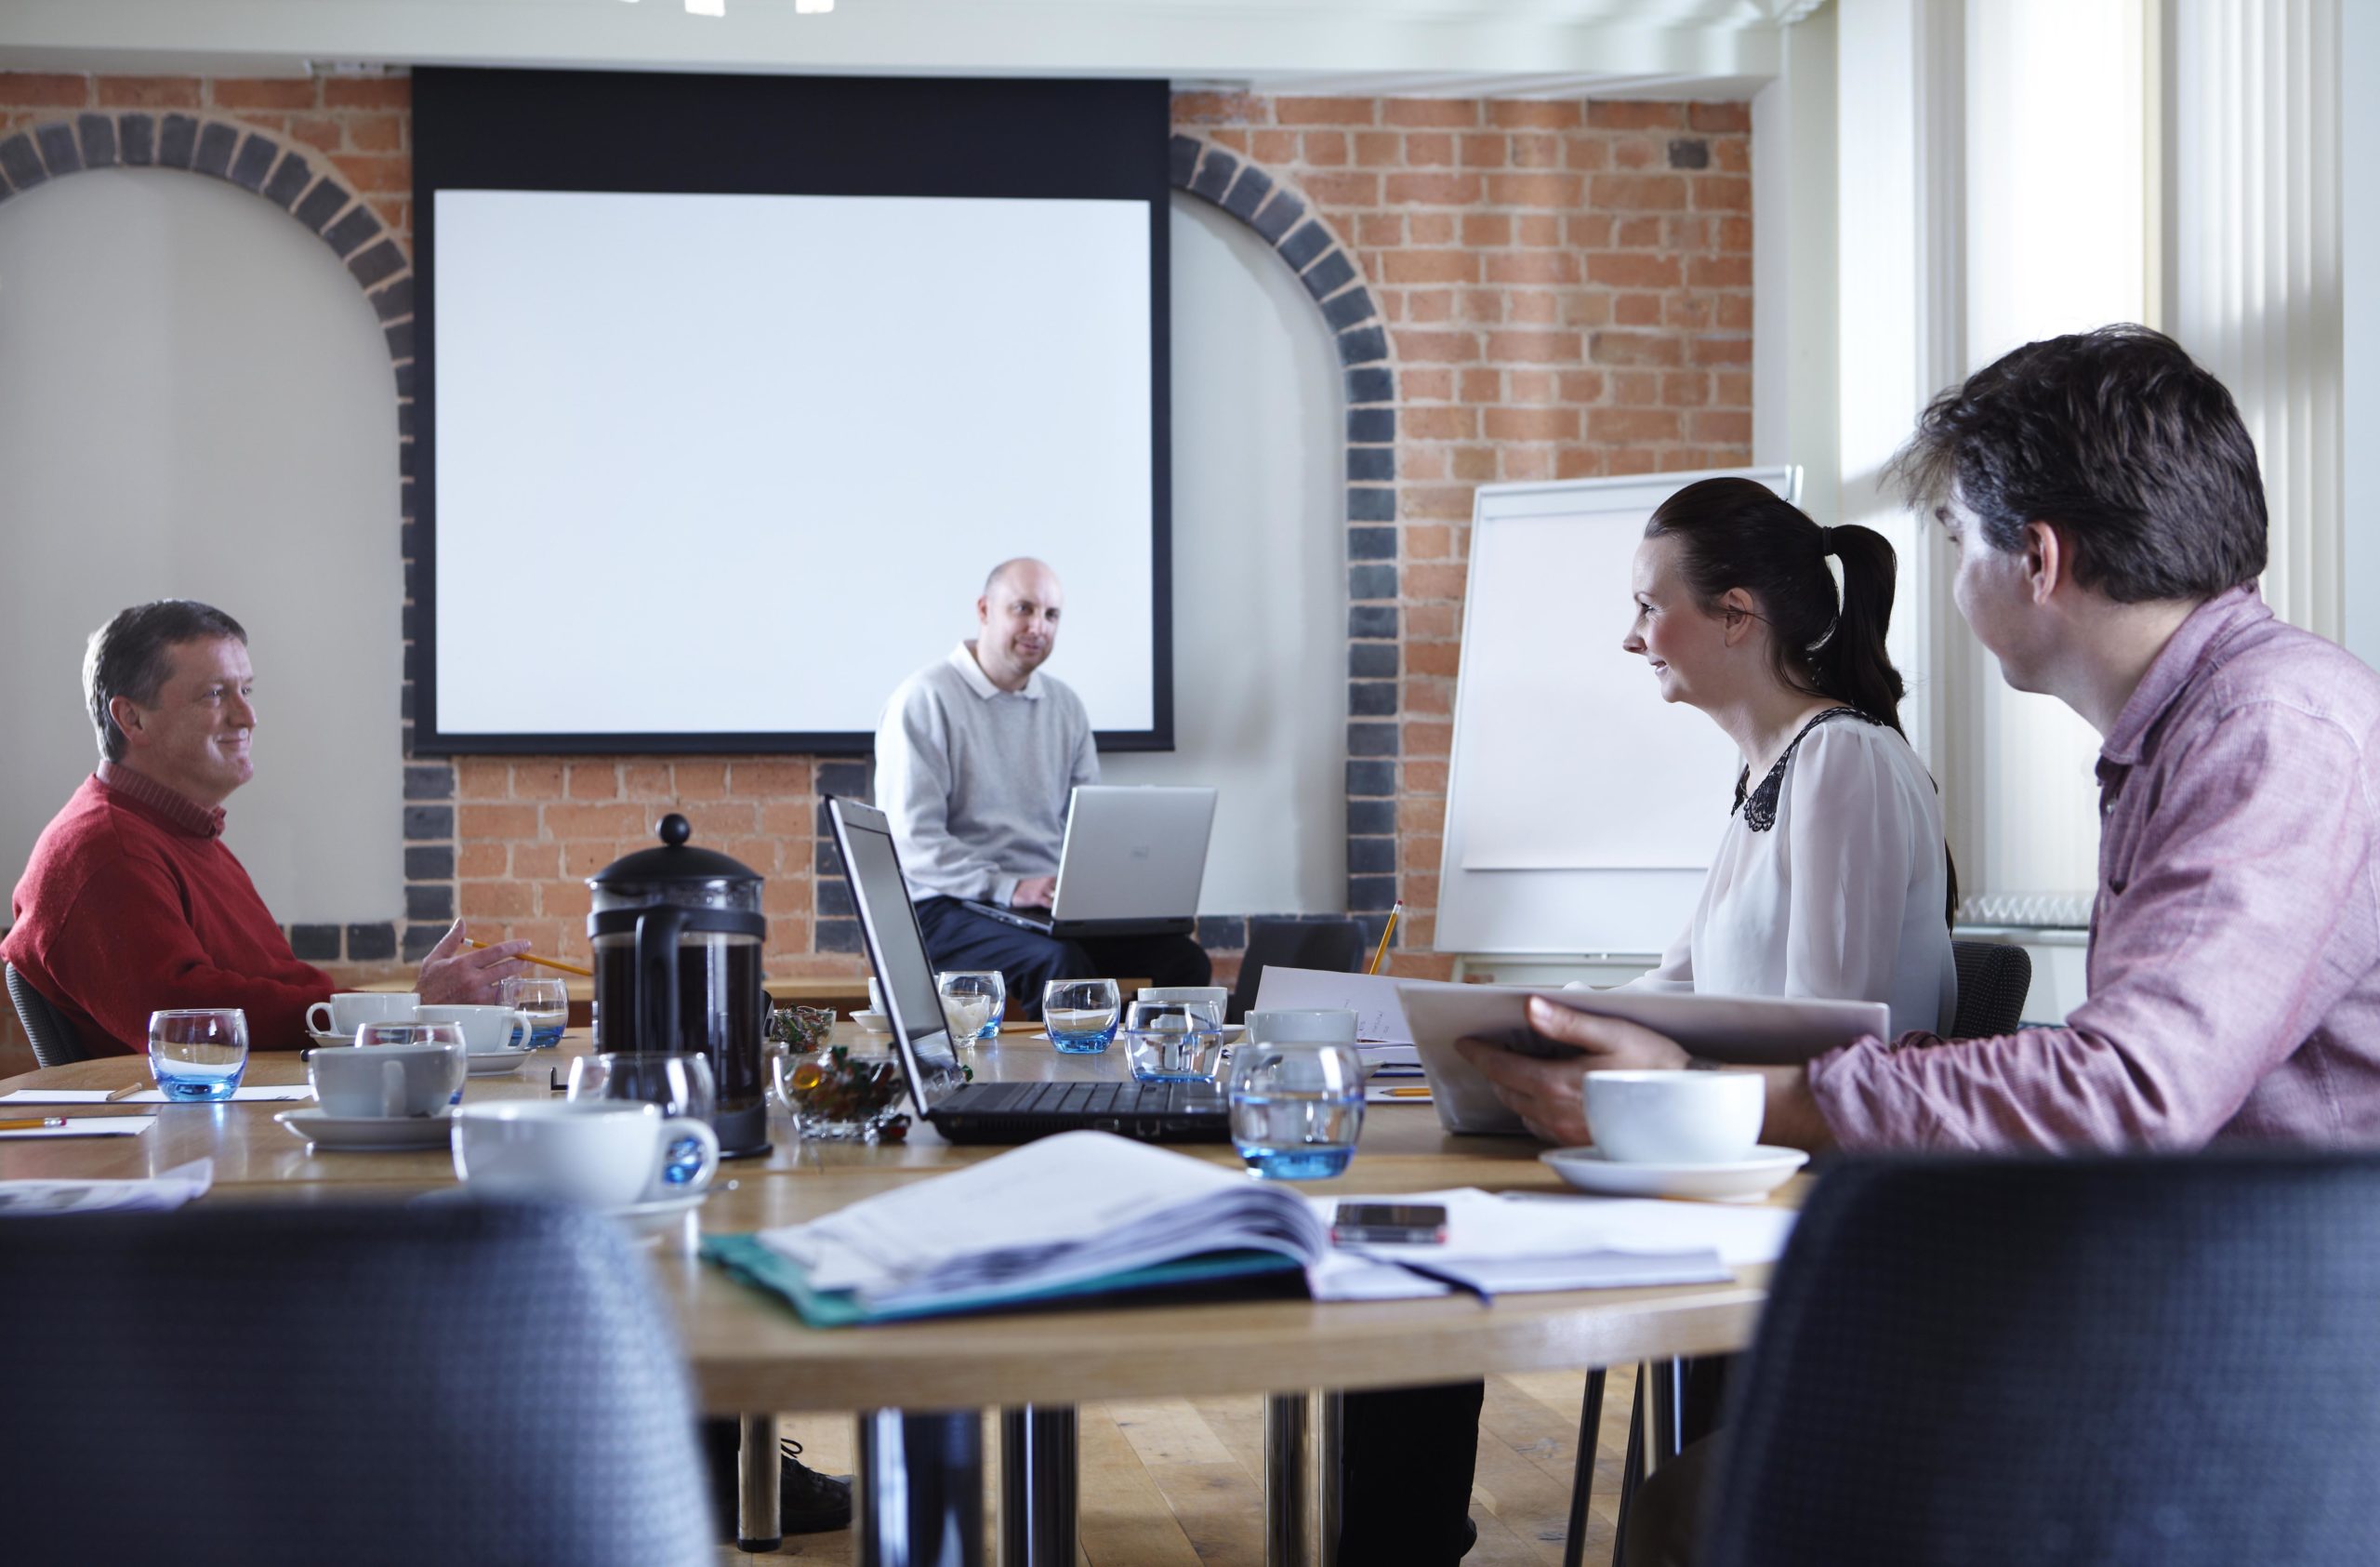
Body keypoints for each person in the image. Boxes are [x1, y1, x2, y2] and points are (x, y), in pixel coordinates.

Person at [1463, 325, 2380, 1565]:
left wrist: (1726, 1100)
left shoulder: (2272, 731)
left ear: (2038, 559)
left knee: (1708, 1506)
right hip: (2199, 1295)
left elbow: (2134, 1089)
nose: (1951, 581)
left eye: (1958, 541)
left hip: (2279, 1354)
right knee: (1701, 1488)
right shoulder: (2204, 730)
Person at [1339, 479, 1959, 1566]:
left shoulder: (1846, 761)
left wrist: (1628, 1061)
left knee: (1428, 1250)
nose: (1631, 638)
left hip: (1794, 1201)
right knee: (1417, 1244)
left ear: (1734, 615)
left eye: (1646, 606)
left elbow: (1837, 1038)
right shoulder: (1767, 772)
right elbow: (1673, 982)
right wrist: (1510, 1022)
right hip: (1724, 1166)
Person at [3, 600, 528, 1055]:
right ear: (132, 719)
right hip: (184, 1150)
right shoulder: (105, 850)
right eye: (215, 694)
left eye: (246, 690)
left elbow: (279, 987)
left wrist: (404, 1013)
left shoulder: (179, 832)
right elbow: (187, 1022)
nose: (247, 716)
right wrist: (407, 1012)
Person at [873, 557, 1210, 1010]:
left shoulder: (1064, 706)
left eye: (1051, 615)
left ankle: (1154, 1075)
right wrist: (1010, 887)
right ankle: (1078, 1082)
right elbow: (913, 843)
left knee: (1184, 960)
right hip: (945, 907)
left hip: (1042, 907)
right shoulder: (924, 698)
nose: (1038, 626)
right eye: (1023, 609)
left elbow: (1090, 827)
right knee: (1060, 966)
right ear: (984, 610)